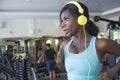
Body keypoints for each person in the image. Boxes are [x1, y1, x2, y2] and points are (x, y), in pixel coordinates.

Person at [56, 1, 120, 80]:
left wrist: (111, 72)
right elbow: (67, 70)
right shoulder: (65, 44)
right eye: (61, 21)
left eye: (66, 19)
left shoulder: (100, 44)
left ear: (81, 19)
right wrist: (59, 62)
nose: (62, 25)